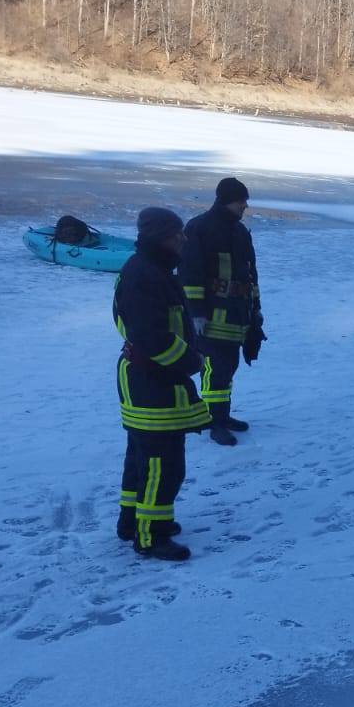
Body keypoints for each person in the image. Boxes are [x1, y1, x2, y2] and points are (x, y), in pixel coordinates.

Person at [114, 208, 212, 561]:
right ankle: (150, 536)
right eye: (178, 234)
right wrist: (193, 361)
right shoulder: (145, 276)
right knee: (162, 465)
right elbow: (152, 339)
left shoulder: (150, 269)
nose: (184, 239)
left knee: (141, 459)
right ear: (162, 237)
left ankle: (132, 522)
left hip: (149, 380)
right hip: (151, 383)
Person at [179, 177, 265, 446]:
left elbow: (251, 274)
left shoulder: (239, 232)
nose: (245, 206)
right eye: (242, 200)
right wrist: (196, 314)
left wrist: (256, 311)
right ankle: (213, 422)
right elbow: (189, 273)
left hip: (237, 314)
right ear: (228, 200)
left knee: (229, 367)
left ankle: (223, 416)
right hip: (212, 316)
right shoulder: (199, 228)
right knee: (216, 369)